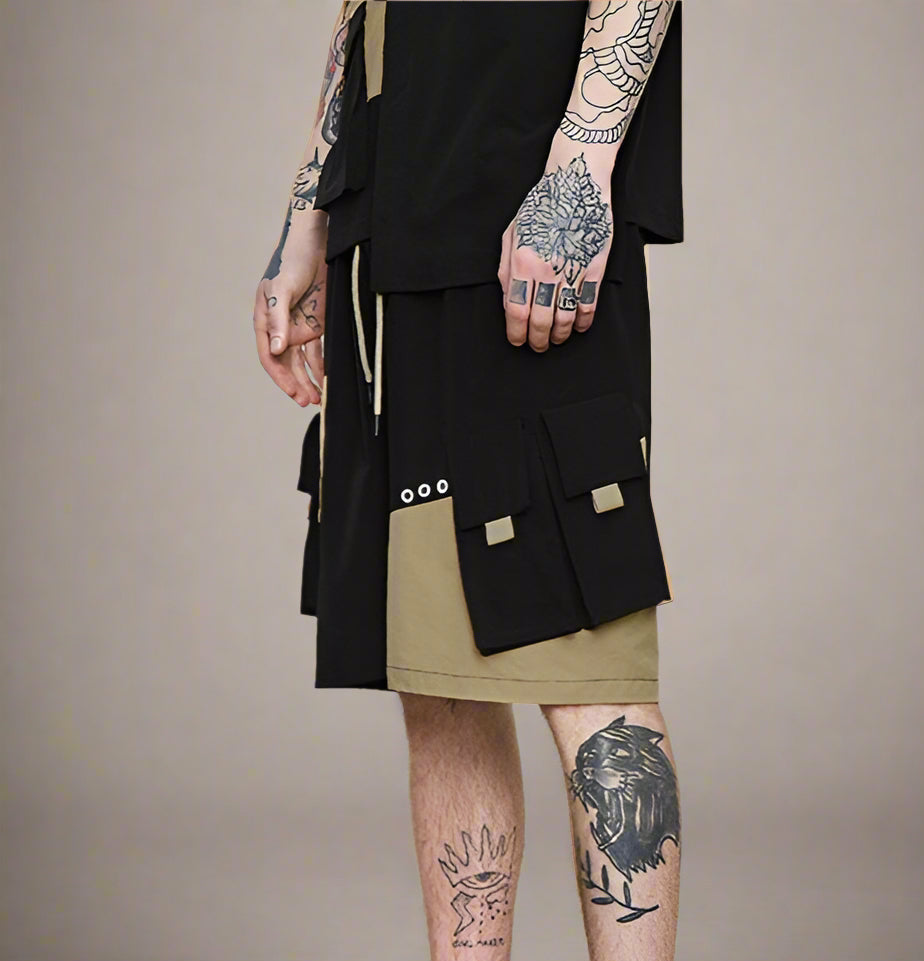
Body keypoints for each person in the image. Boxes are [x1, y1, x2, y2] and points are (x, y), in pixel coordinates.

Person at [252, 2, 684, 958]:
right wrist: (309, 217)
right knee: (440, 681)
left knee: (588, 669)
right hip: (387, 240)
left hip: (523, 221)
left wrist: (578, 168)